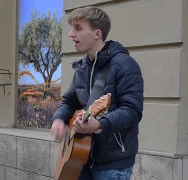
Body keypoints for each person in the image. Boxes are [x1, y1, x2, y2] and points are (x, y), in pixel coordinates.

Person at [51, 7, 144, 180]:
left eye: (78, 28)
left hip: (112, 164)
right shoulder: (82, 69)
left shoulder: (125, 65)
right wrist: (58, 119)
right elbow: (69, 101)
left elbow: (132, 111)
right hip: (80, 160)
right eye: (72, 29)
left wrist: (100, 125)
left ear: (97, 34)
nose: (71, 34)